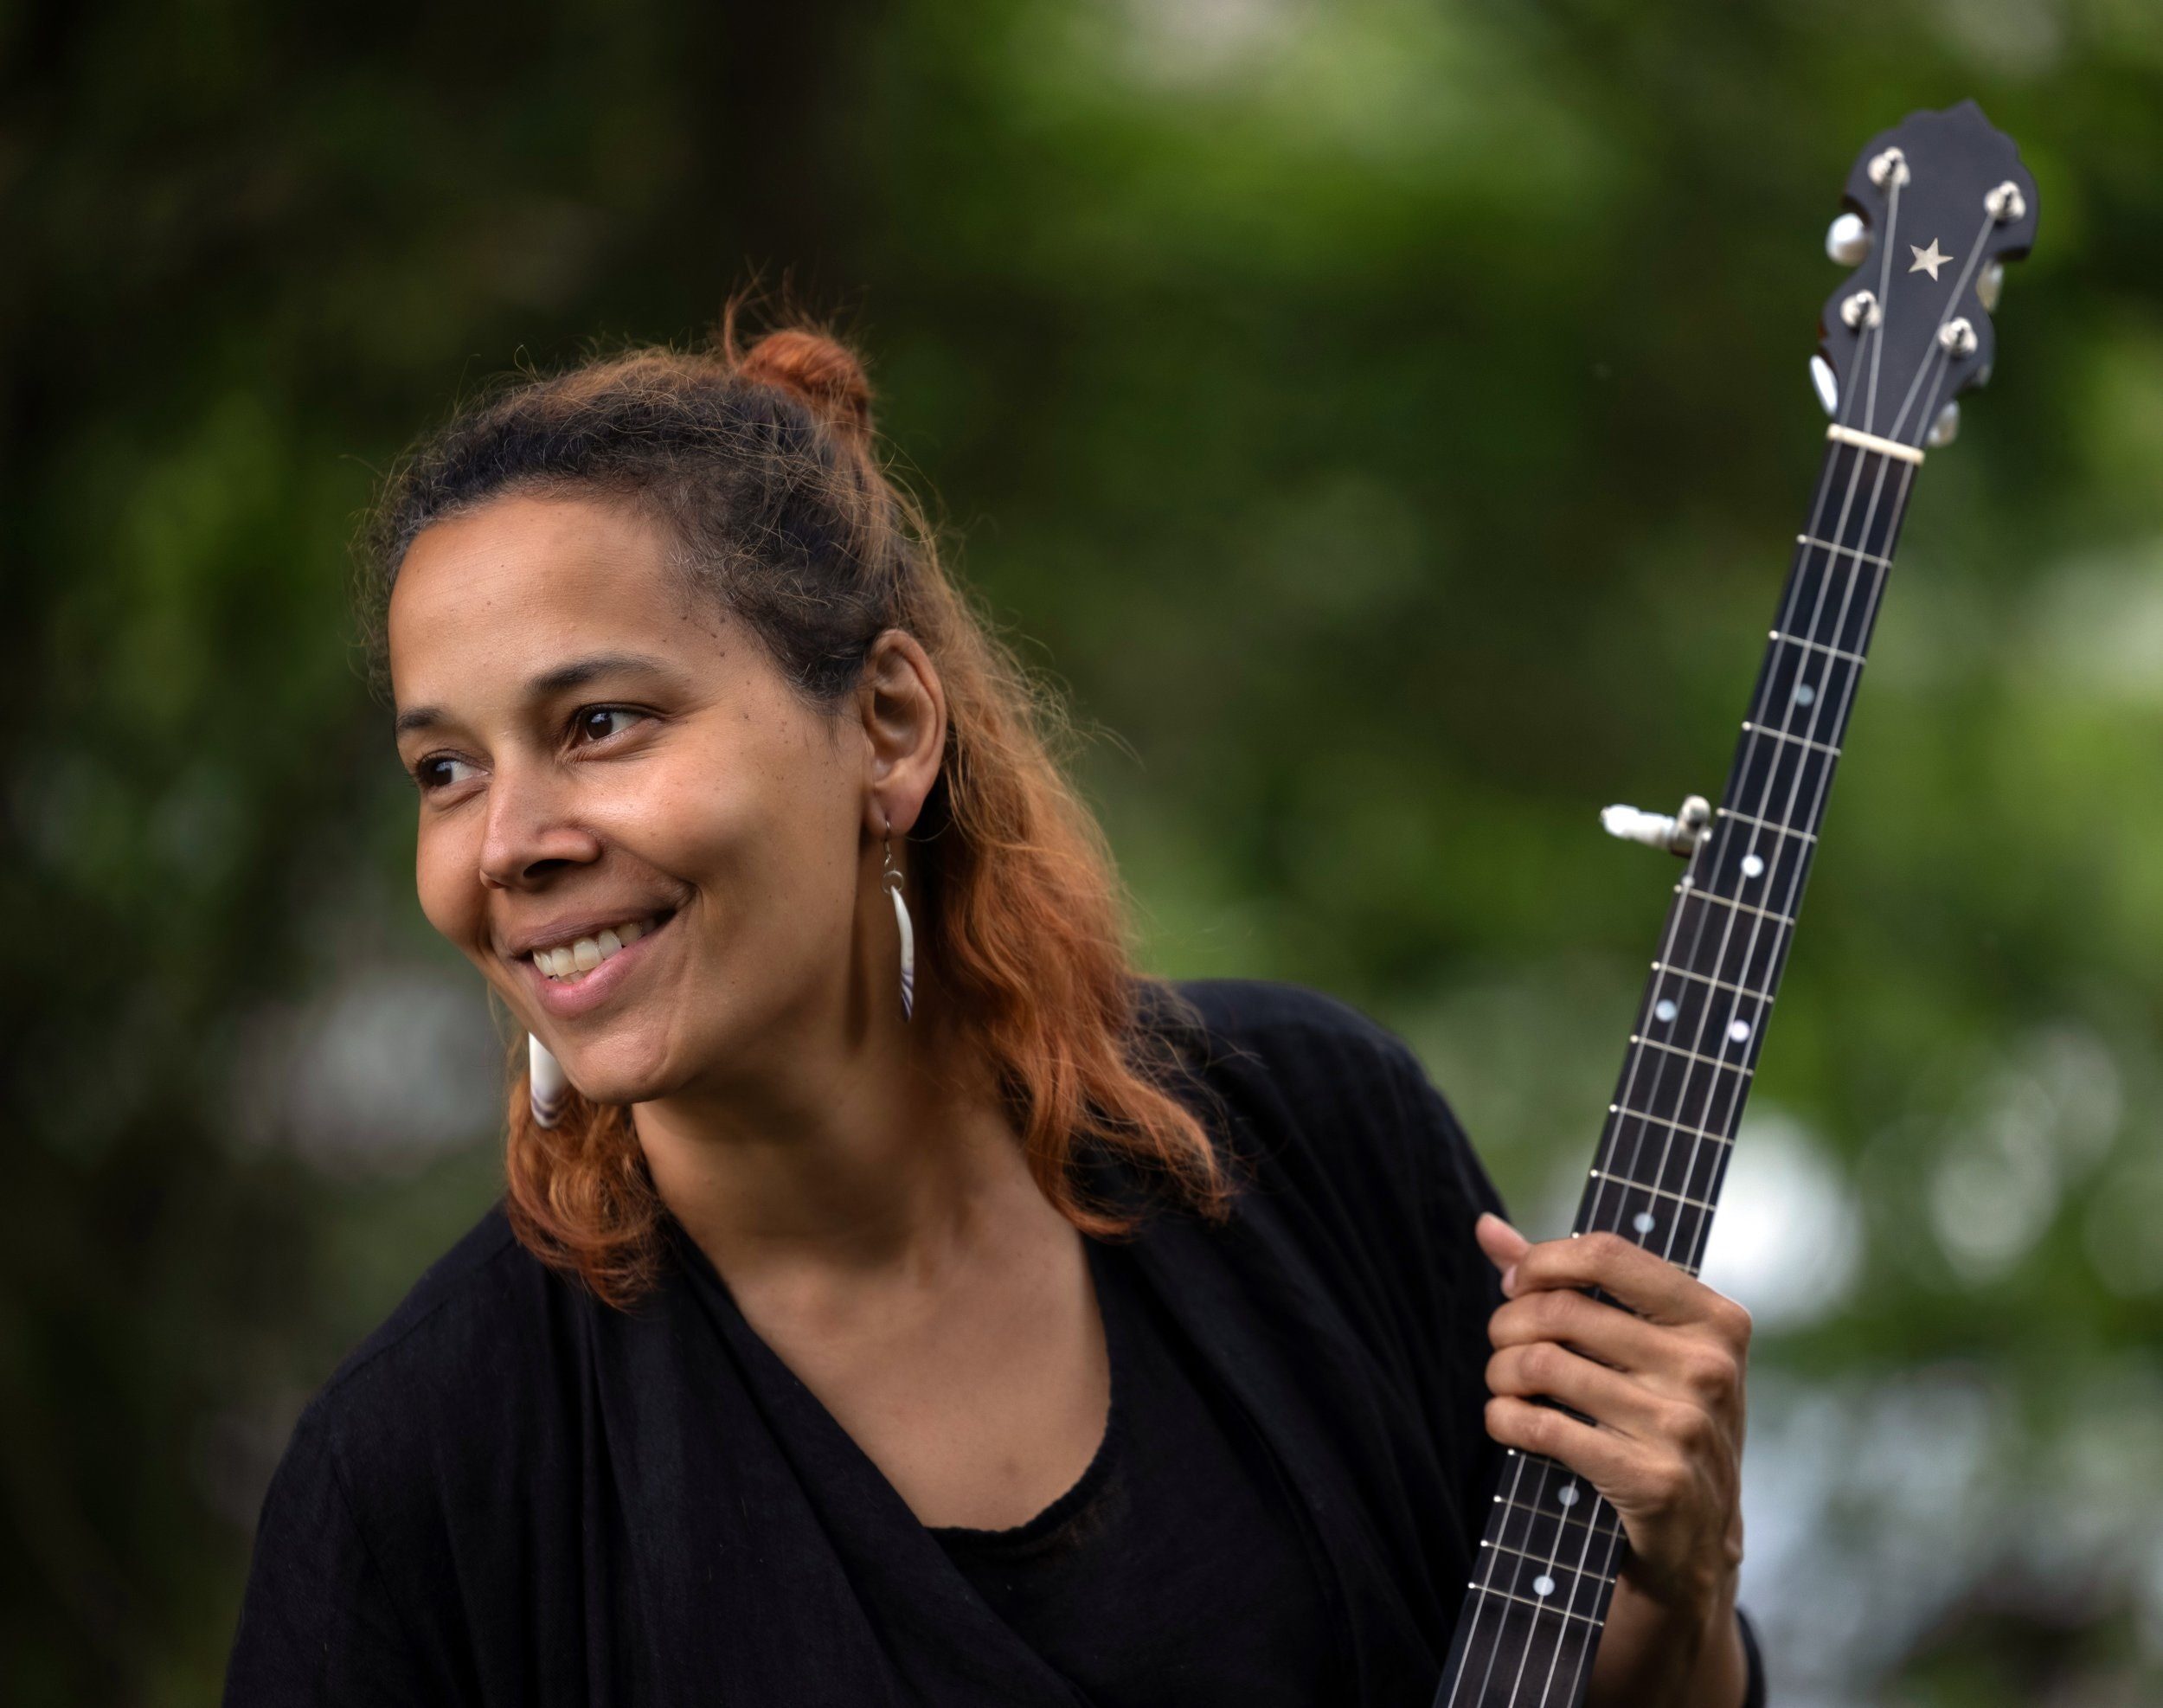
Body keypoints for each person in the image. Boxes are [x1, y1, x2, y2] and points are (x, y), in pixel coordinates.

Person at [221, 314, 1766, 1707]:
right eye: (448, 769)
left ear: (888, 728)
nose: (508, 842)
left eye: (601, 722)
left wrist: (1683, 1598)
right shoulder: (419, 1481)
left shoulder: (1312, 1136)